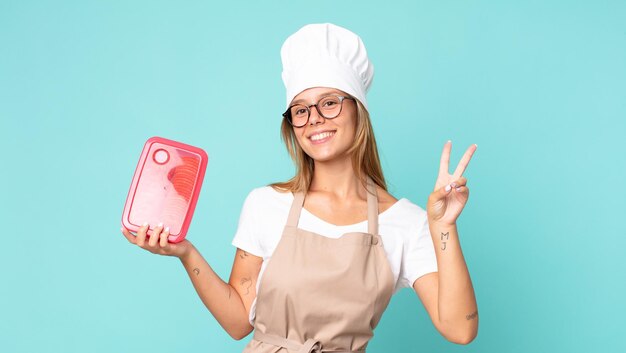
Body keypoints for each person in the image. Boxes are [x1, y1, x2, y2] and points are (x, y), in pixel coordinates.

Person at [121, 23, 478, 352]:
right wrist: (186, 253)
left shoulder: (405, 222)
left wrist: (444, 227)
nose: (315, 119)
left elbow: (459, 329)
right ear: (292, 124)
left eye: (329, 103)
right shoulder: (265, 205)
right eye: (300, 110)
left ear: (359, 111)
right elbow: (237, 322)